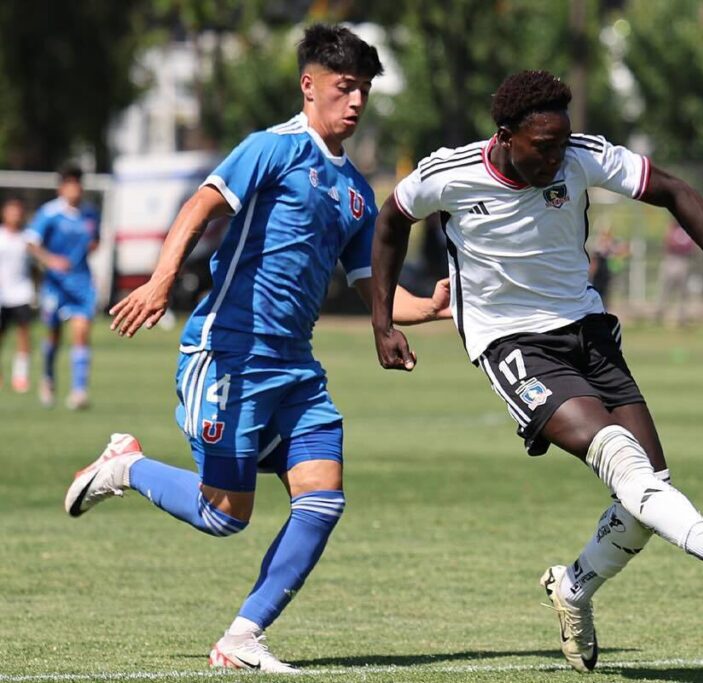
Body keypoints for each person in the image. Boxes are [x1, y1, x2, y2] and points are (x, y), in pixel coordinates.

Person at [371, 70, 703, 673]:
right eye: (543, 146)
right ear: (506, 135)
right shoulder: (450, 173)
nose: (556, 157)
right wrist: (383, 320)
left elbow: (675, 191)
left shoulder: (582, 157)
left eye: (562, 143)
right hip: (509, 341)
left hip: (587, 331)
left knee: (650, 490)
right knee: (622, 459)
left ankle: (572, 589)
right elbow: (390, 222)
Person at [63, 24, 450, 673]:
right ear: (309, 86)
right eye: (343, 87)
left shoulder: (356, 191)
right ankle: (125, 464)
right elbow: (199, 206)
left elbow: (373, 291)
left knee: (324, 496)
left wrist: (431, 306)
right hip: (230, 354)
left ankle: (242, 636)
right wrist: (160, 282)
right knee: (225, 516)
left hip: (296, 369)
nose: (355, 102)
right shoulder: (270, 150)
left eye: (363, 90)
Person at [25, 164, 100, 409]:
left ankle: (79, 391)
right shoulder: (49, 213)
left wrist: (88, 249)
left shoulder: (90, 214)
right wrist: (51, 261)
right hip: (55, 286)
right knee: (54, 336)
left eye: (78, 184)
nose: (75, 189)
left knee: (81, 332)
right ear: (62, 187)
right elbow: (32, 243)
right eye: (70, 184)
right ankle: (47, 377)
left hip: (81, 284)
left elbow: (95, 241)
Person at [0, 196, 35, 392]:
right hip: (2, 295)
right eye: (11, 211)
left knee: (23, 333)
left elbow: (36, 265)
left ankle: (20, 376)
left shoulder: (27, 238)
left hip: (22, 293)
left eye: (18, 211)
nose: (15, 215)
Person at [655, 221, 698, 325]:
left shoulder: (687, 230)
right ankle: (659, 314)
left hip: (683, 260)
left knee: (683, 292)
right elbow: (667, 243)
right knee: (665, 290)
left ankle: (681, 317)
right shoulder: (672, 229)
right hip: (671, 259)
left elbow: (691, 248)